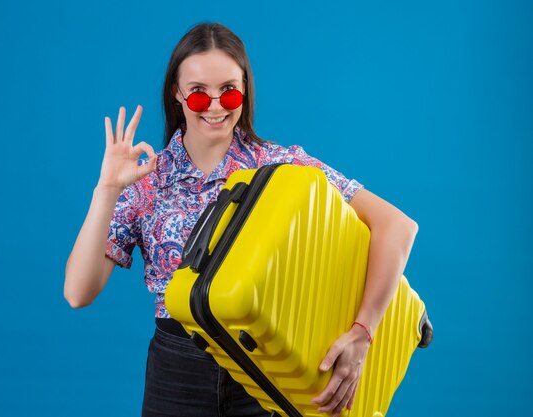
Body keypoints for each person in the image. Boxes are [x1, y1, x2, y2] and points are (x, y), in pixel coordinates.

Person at [64, 22, 418, 417]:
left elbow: (398, 226)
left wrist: (363, 333)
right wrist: (107, 189)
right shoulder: (147, 179)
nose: (215, 106)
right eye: (198, 94)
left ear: (245, 90)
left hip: (264, 366)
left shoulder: (283, 166)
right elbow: (79, 293)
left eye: (228, 91)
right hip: (176, 375)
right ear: (176, 94)